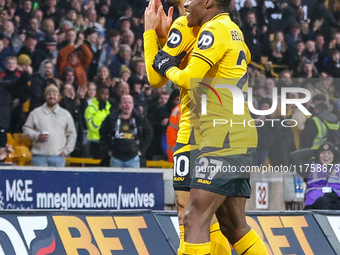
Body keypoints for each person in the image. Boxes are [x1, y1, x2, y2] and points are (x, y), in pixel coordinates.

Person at [152, 0, 268, 254]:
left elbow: (189, 79)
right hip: (233, 134)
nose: (187, 4)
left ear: (208, 2)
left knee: (194, 218)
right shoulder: (233, 30)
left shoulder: (214, 30)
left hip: (222, 138)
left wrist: (166, 65)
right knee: (233, 225)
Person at [144, 0, 231, 254]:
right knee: (212, 217)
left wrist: (150, 33)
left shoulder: (186, 26)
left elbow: (155, 77)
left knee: (191, 212)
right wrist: (163, 40)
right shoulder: (217, 25)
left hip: (195, 128)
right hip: (221, 128)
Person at [23, 85, 77, 167]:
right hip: (39, 158)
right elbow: (26, 129)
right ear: (45, 96)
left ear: (59, 97)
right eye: (49, 94)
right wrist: (37, 136)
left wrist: (66, 151)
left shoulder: (65, 115)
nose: (52, 96)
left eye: (55, 94)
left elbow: (72, 134)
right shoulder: (36, 113)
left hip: (58, 158)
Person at [100, 95, 153, 168]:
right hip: (116, 158)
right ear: (120, 105)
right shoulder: (111, 118)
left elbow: (149, 133)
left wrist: (142, 149)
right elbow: (103, 133)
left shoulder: (140, 119)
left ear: (133, 105)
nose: (127, 105)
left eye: (129, 103)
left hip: (134, 158)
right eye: (124, 103)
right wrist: (108, 150)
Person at [290, 142, 340, 210]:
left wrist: (337, 152)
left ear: (334, 155)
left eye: (329, 153)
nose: (326, 155)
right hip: (315, 201)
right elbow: (295, 156)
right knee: (322, 201)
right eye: (323, 153)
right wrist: (316, 151)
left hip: (336, 200)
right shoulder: (310, 166)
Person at [84, 85, 111, 159]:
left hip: (107, 142)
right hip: (94, 143)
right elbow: (93, 126)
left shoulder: (109, 107)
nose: (105, 96)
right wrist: (101, 111)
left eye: (107, 94)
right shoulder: (90, 108)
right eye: (103, 94)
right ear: (98, 94)